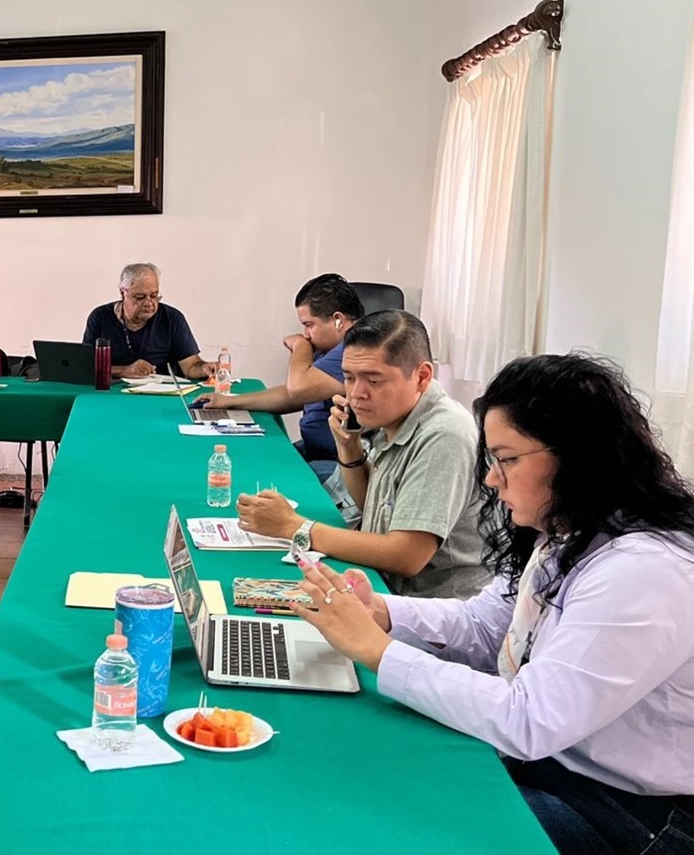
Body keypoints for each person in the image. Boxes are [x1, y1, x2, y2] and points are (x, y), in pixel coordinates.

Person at [288, 353, 694, 853]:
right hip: (555, 766)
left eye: (507, 459)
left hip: (627, 813)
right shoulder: (570, 532)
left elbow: (530, 720)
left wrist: (377, 650)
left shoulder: (644, 571)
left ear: (577, 457)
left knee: (397, 817)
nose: (491, 479)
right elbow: (485, 625)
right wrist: (383, 614)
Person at [237, 310, 489, 598]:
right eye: (349, 377)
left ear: (422, 376)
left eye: (374, 380)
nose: (357, 393)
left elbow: (406, 556)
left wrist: (294, 526)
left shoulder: (445, 435)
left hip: (431, 609)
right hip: (384, 588)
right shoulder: (397, 414)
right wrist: (349, 446)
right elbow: (374, 506)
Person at [194, 273, 363, 476]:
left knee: (264, 475)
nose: (306, 334)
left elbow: (298, 389)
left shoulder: (355, 349)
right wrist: (230, 401)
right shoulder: (330, 349)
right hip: (315, 451)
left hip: (338, 463)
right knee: (255, 459)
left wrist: (300, 346)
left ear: (338, 320)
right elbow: (292, 395)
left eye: (309, 325)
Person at [82, 262, 209, 379]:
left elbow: (191, 367)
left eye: (154, 296)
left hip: (159, 391)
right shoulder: (100, 317)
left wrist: (206, 368)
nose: (148, 303)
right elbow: (85, 367)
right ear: (123, 293)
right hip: (111, 390)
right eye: (140, 297)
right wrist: (123, 371)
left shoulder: (172, 318)